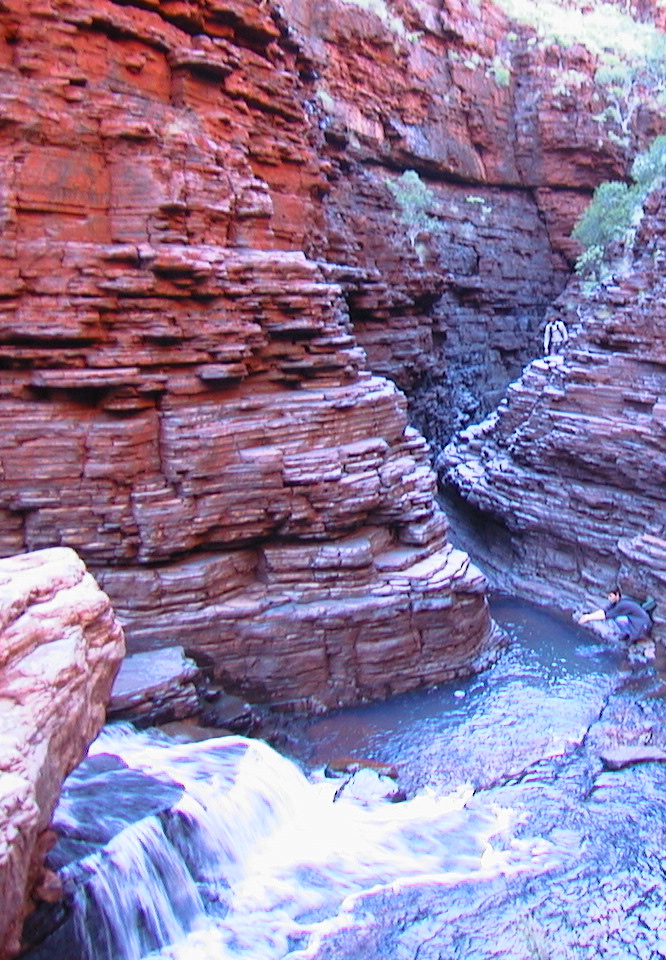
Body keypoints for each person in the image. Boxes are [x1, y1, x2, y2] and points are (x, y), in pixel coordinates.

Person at [578, 587, 652, 645]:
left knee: (618, 620)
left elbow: (606, 616)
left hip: (643, 625)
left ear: (616, 595)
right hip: (638, 621)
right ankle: (628, 634)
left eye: (610, 596)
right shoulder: (617, 601)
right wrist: (588, 616)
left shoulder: (622, 605)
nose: (609, 598)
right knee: (619, 619)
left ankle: (633, 637)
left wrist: (588, 618)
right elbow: (604, 611)